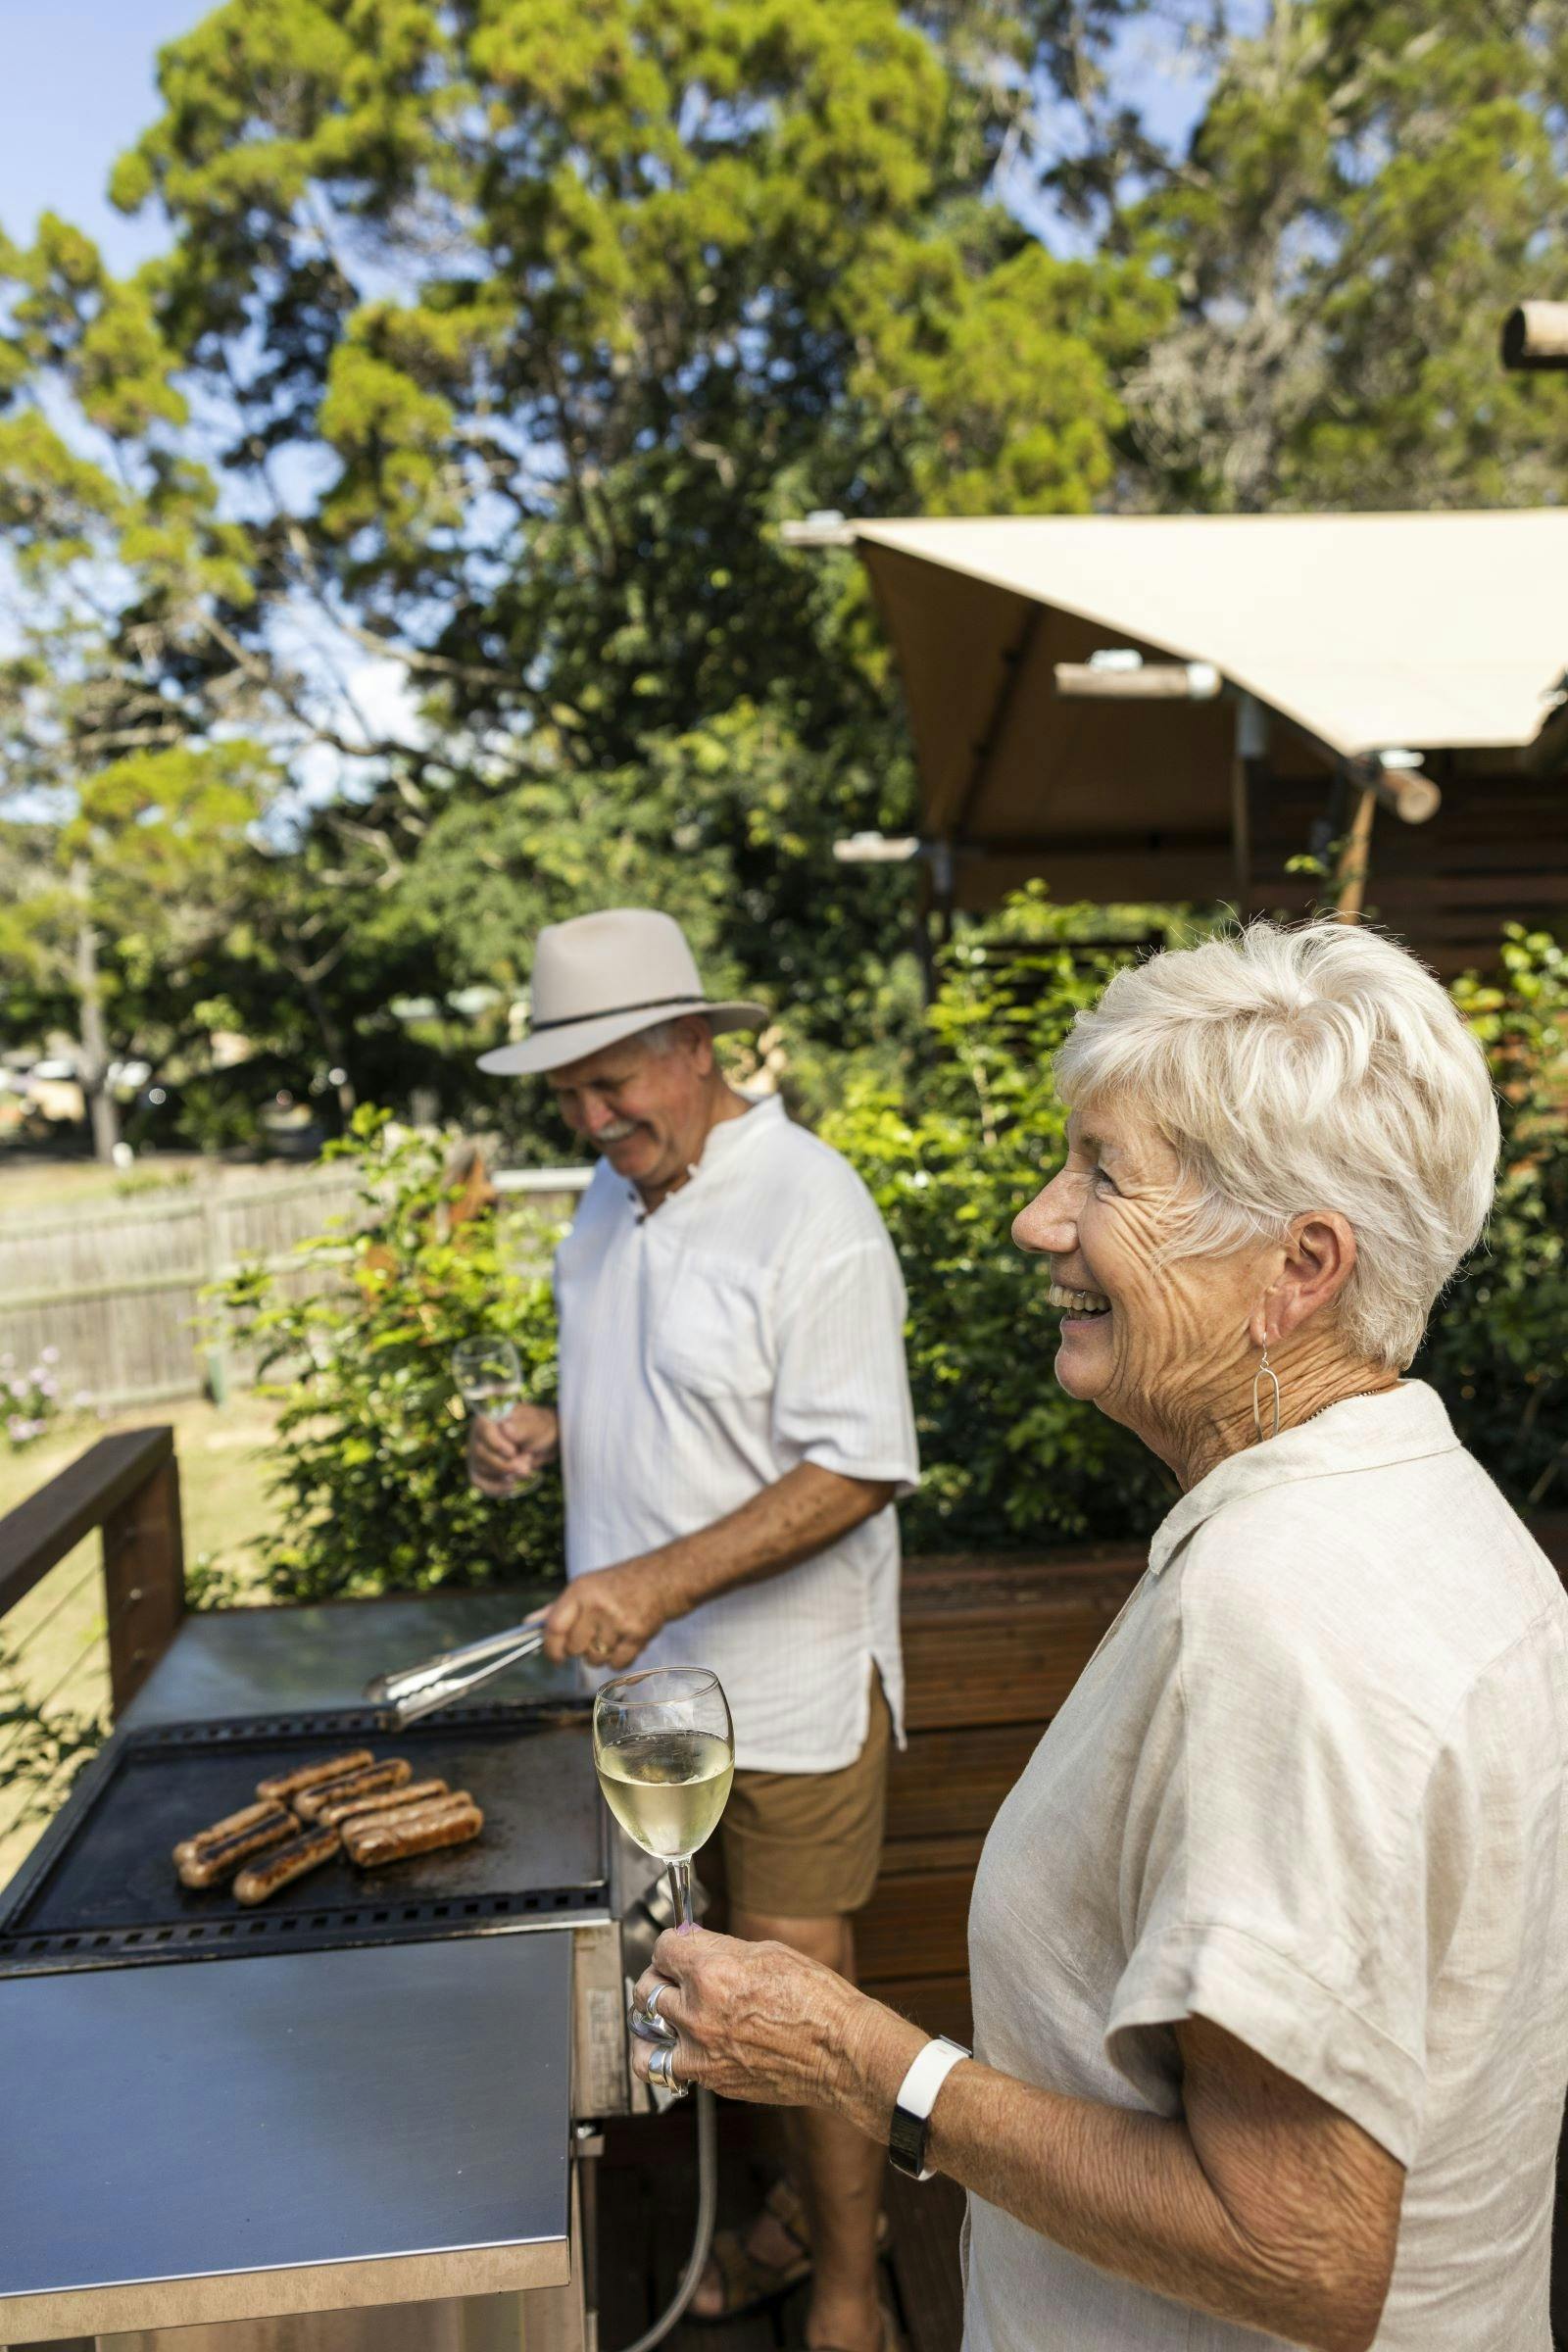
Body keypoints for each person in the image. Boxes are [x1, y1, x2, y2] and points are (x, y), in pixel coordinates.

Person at [627, 918, 1568, 2352]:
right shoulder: (1438, 1515)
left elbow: (1299, 2246)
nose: (1038, 1220)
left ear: (1299, 1267)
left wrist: (856, 2058)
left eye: (1104, 1175)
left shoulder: (1282, 1613)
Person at [471, 906, 918, 2352]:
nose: (596, 1120)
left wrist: (654, 1585)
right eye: (570, 1096)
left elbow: (857, 1463)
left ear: (697, 1047)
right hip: (651, 1708)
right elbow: (669, 1403)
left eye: (616, 1085)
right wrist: (549, 1430)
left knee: (803, 2008)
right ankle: (793, 2225)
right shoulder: (613, 1201)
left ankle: (851, 2292)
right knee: (700, 1997)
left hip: (785, 1696)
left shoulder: (813, 1206)